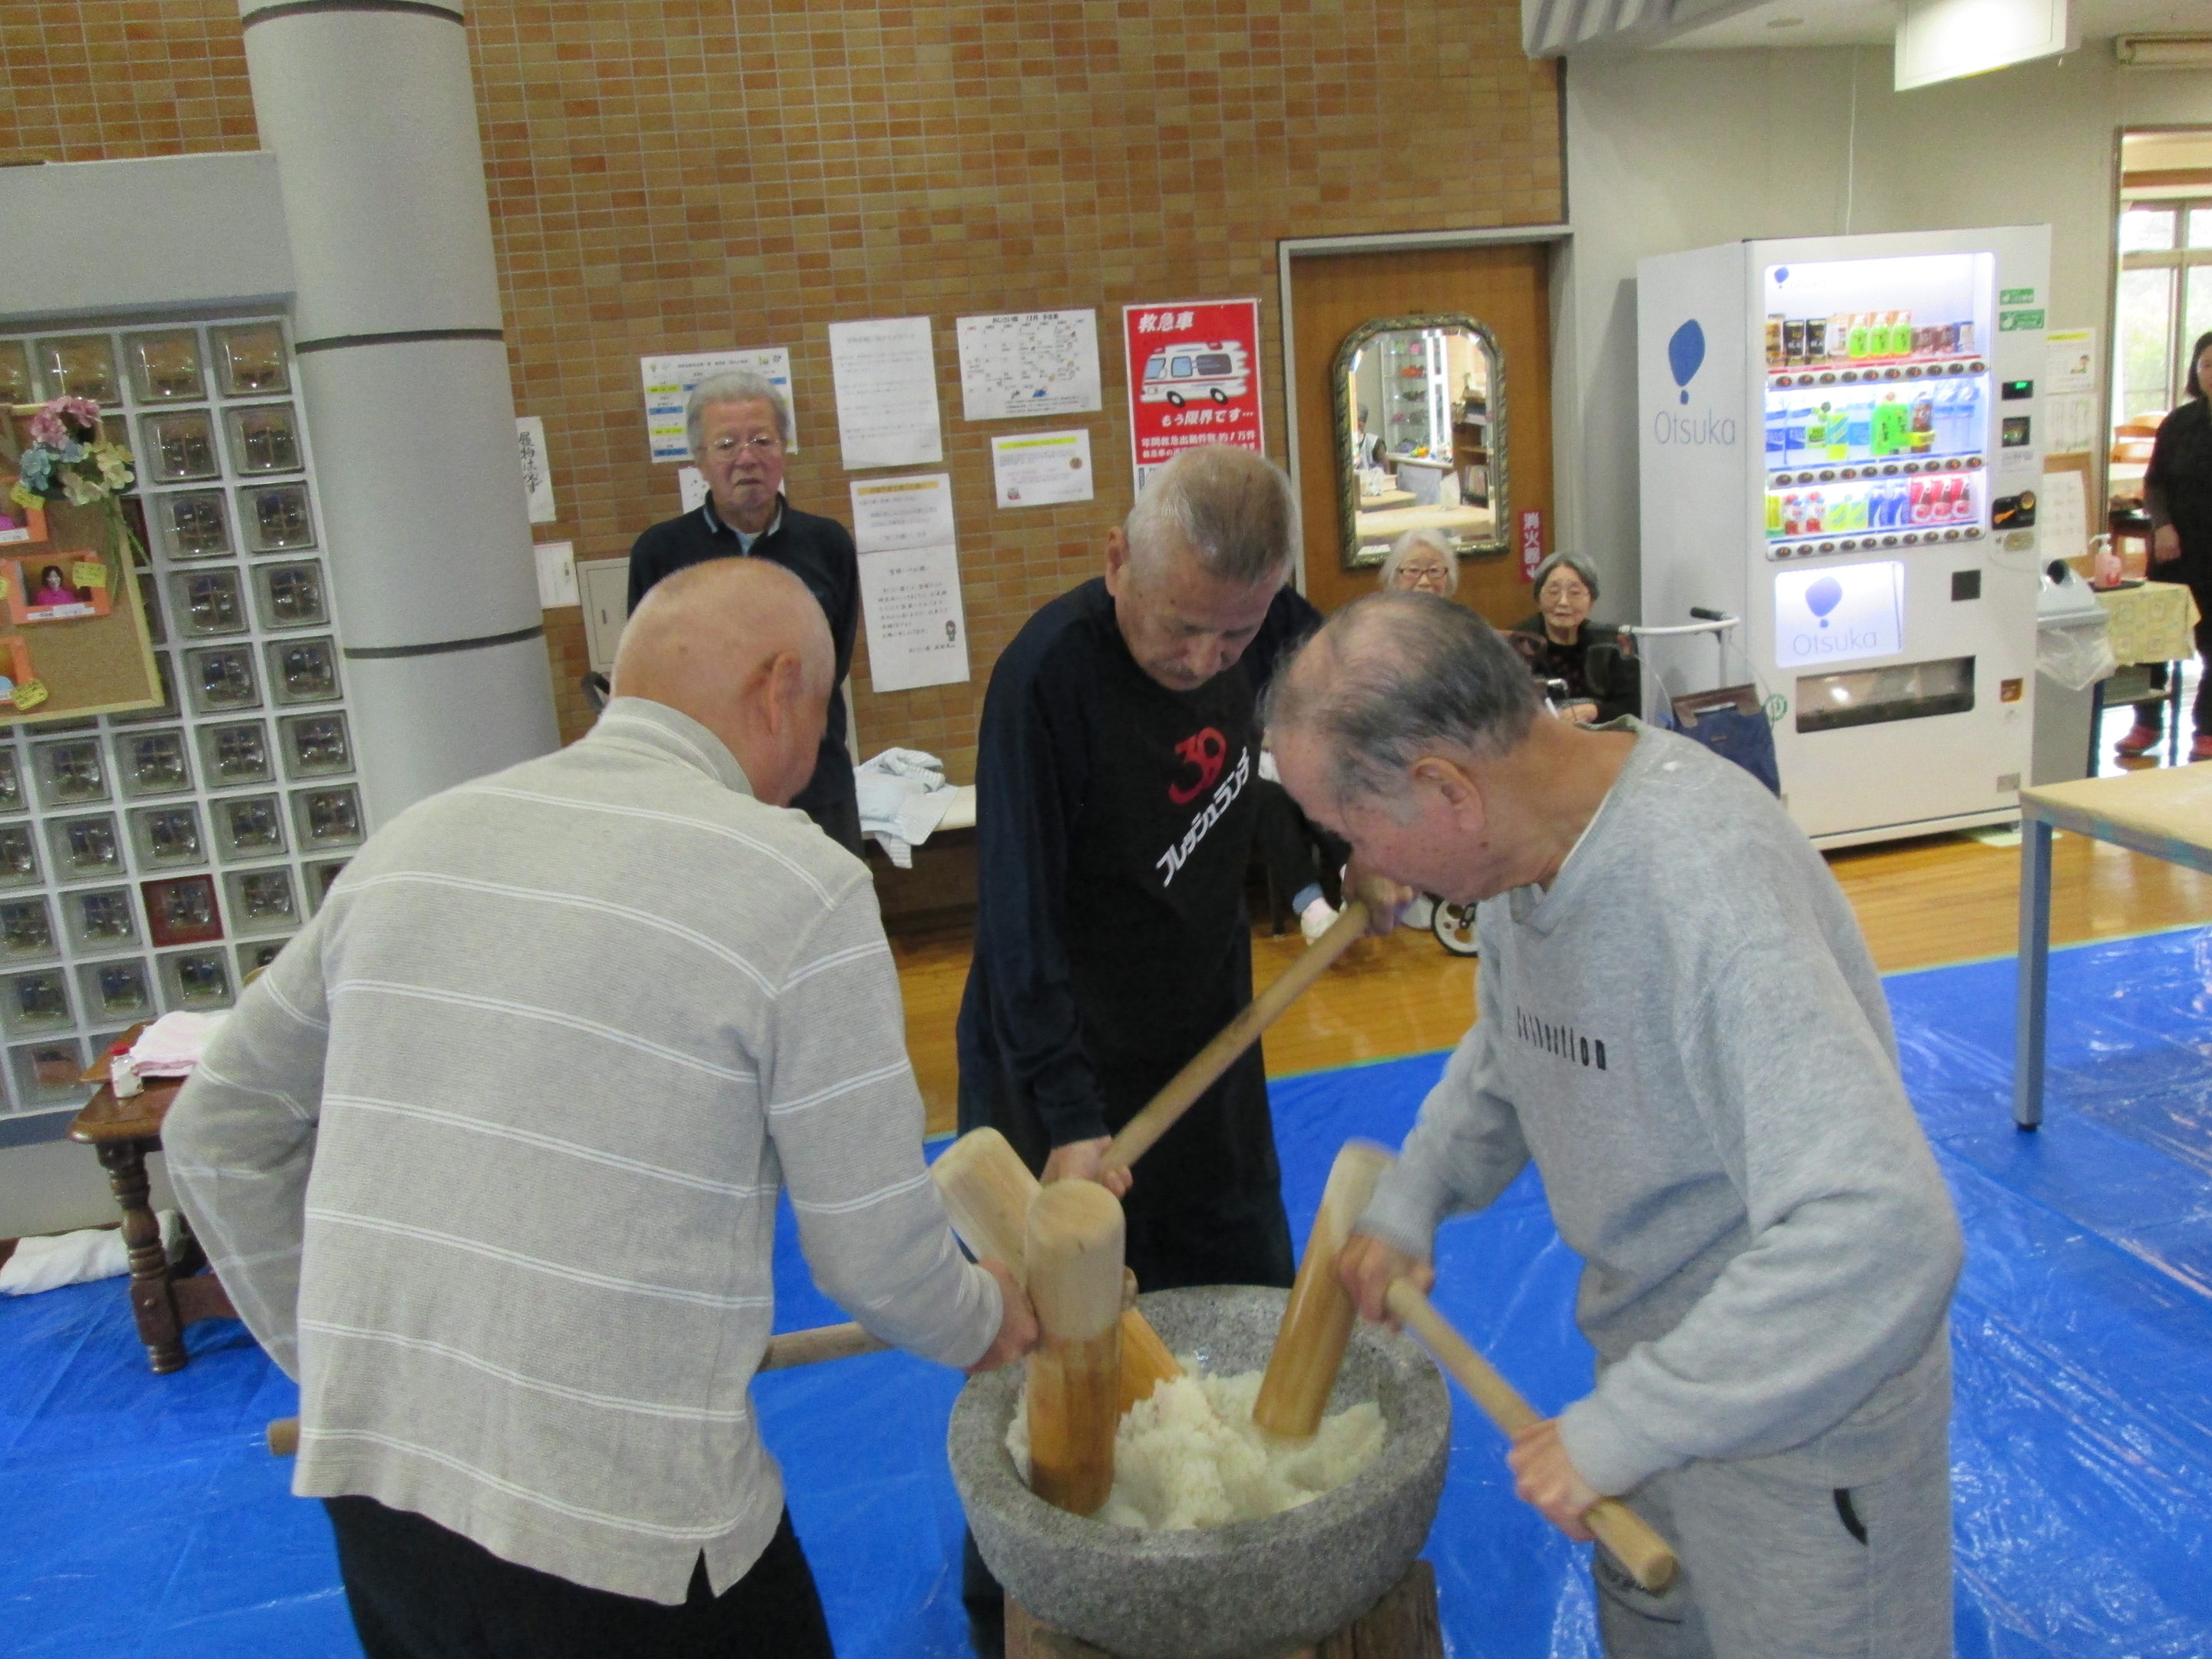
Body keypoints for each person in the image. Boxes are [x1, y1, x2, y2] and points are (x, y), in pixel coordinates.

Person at [164, 558, 1036, 1659]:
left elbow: (213, 1127)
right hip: (628, 1535)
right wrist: (980, 1317)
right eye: (822, 714)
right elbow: (873, 1254)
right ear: (779, 691)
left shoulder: (415, 841)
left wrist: (340, 1357)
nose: (817, 755)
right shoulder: (798, 884)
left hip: (378, 1491)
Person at [1268, 592, 1962, 1659]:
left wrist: (1634, 1422)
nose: (1370, 875)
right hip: (1656, 1383)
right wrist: (1415, 1197)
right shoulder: (1523, 855)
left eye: (1353, 835)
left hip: (1799, 1422)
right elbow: (1516, 1042)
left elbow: (1884, 1231)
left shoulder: (1707, 888)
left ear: (1445, 790)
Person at [954, 443, 1316, 1656]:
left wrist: (1370, 830)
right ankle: (1027, 1600)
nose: (1209, 662)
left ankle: (1253, 1564)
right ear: (1117, 559)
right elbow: (1016, 927)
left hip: (1201, 1046)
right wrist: (1065, 1119)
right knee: (1056, 1367)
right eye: (1183, 632)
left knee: (1247, 1295)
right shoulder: (1047, 678)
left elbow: (1340, 720)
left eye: (1234, 636)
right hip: (1051, 1062)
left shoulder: (1270, 626)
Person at [628, 369, 864, 851]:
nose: (747, 459)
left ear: (783, 450)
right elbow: (649, 676)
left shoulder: (828, 544)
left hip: (815, 784)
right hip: (706, 792)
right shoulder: (661, 552)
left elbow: (830, 664)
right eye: (726, 445)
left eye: (762, 440)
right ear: (699, 459)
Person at [2127, 328, 2212, 763]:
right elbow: (2155, 481)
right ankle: (2146, 721)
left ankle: (2207, 730)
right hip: (2177, 546)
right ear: (2196, 372)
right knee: (2153, 635)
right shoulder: (2179, 422)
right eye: (2207, 365)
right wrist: (2162, 527)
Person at [1511, 551, 1641, 725]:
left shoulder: (1615, 642)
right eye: (1553, 591)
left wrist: (1595, 711)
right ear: (1538, 598)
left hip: (1602, 740)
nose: (1563, 602)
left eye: (1574, 593)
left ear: (1592, 601)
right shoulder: (1515, 643)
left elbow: (1631, 708)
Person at [1379, 527, 1457, 597]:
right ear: (1394, 577)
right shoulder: (1383, 613)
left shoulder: (1458, 613)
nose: (1424, 582)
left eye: (1434, 570)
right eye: (1413, 570)